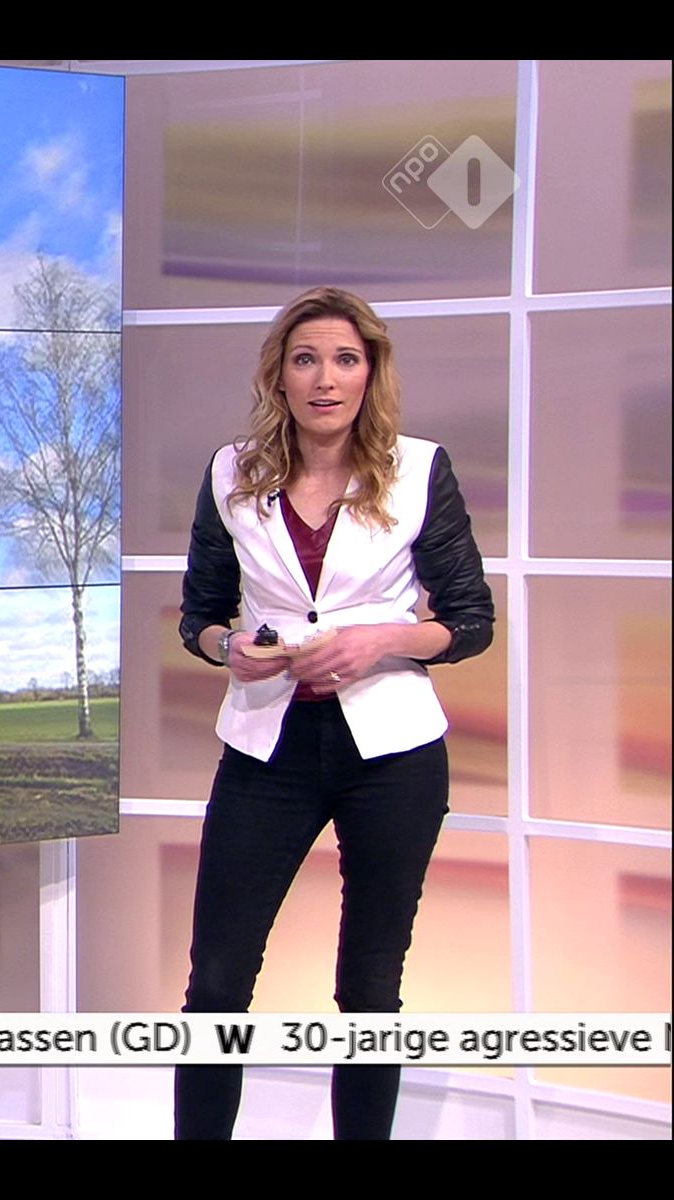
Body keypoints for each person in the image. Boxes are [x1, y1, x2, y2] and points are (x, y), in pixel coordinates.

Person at [175, 286, 494, 1139]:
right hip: (267, 750)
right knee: (216, 984)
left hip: (391, 755)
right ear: (279, 376)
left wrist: (386, 639)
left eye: (345, 359)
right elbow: (200, 614)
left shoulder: (420, 469)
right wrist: (226, 646)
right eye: (306, 359)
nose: (325, 379)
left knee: (370, 989)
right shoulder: (230, 473)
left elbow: (470, 622)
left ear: (370, 373)